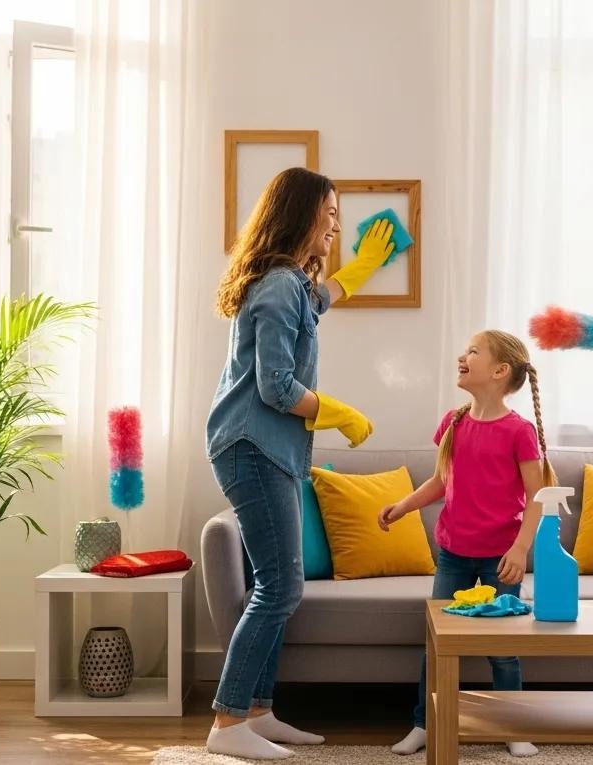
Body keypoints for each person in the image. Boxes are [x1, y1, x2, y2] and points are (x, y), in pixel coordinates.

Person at [205, 167, 396, 759]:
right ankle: (227, 723)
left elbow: (321, 300)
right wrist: (340, 412)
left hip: (266, 449)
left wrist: (362, 267)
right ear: (301, 215)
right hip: (253, 445)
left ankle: (258, 712)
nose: (337, 224)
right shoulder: (280, 284)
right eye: (331, 214)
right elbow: (276, 388)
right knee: (282, 587)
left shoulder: (286, 282)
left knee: (273, 584)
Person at [380, 330, 555, 758]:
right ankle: (424, 723)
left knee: (501, 649)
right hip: (454, 556)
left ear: (500, 371)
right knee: (437, 647)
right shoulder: (453, 422)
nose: (463, 356)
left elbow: (538, 494)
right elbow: (442, 481)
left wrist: (519, 549)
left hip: (500, 560)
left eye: (473, 352)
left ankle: (512, 726)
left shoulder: (518, 431)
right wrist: (404, 505)